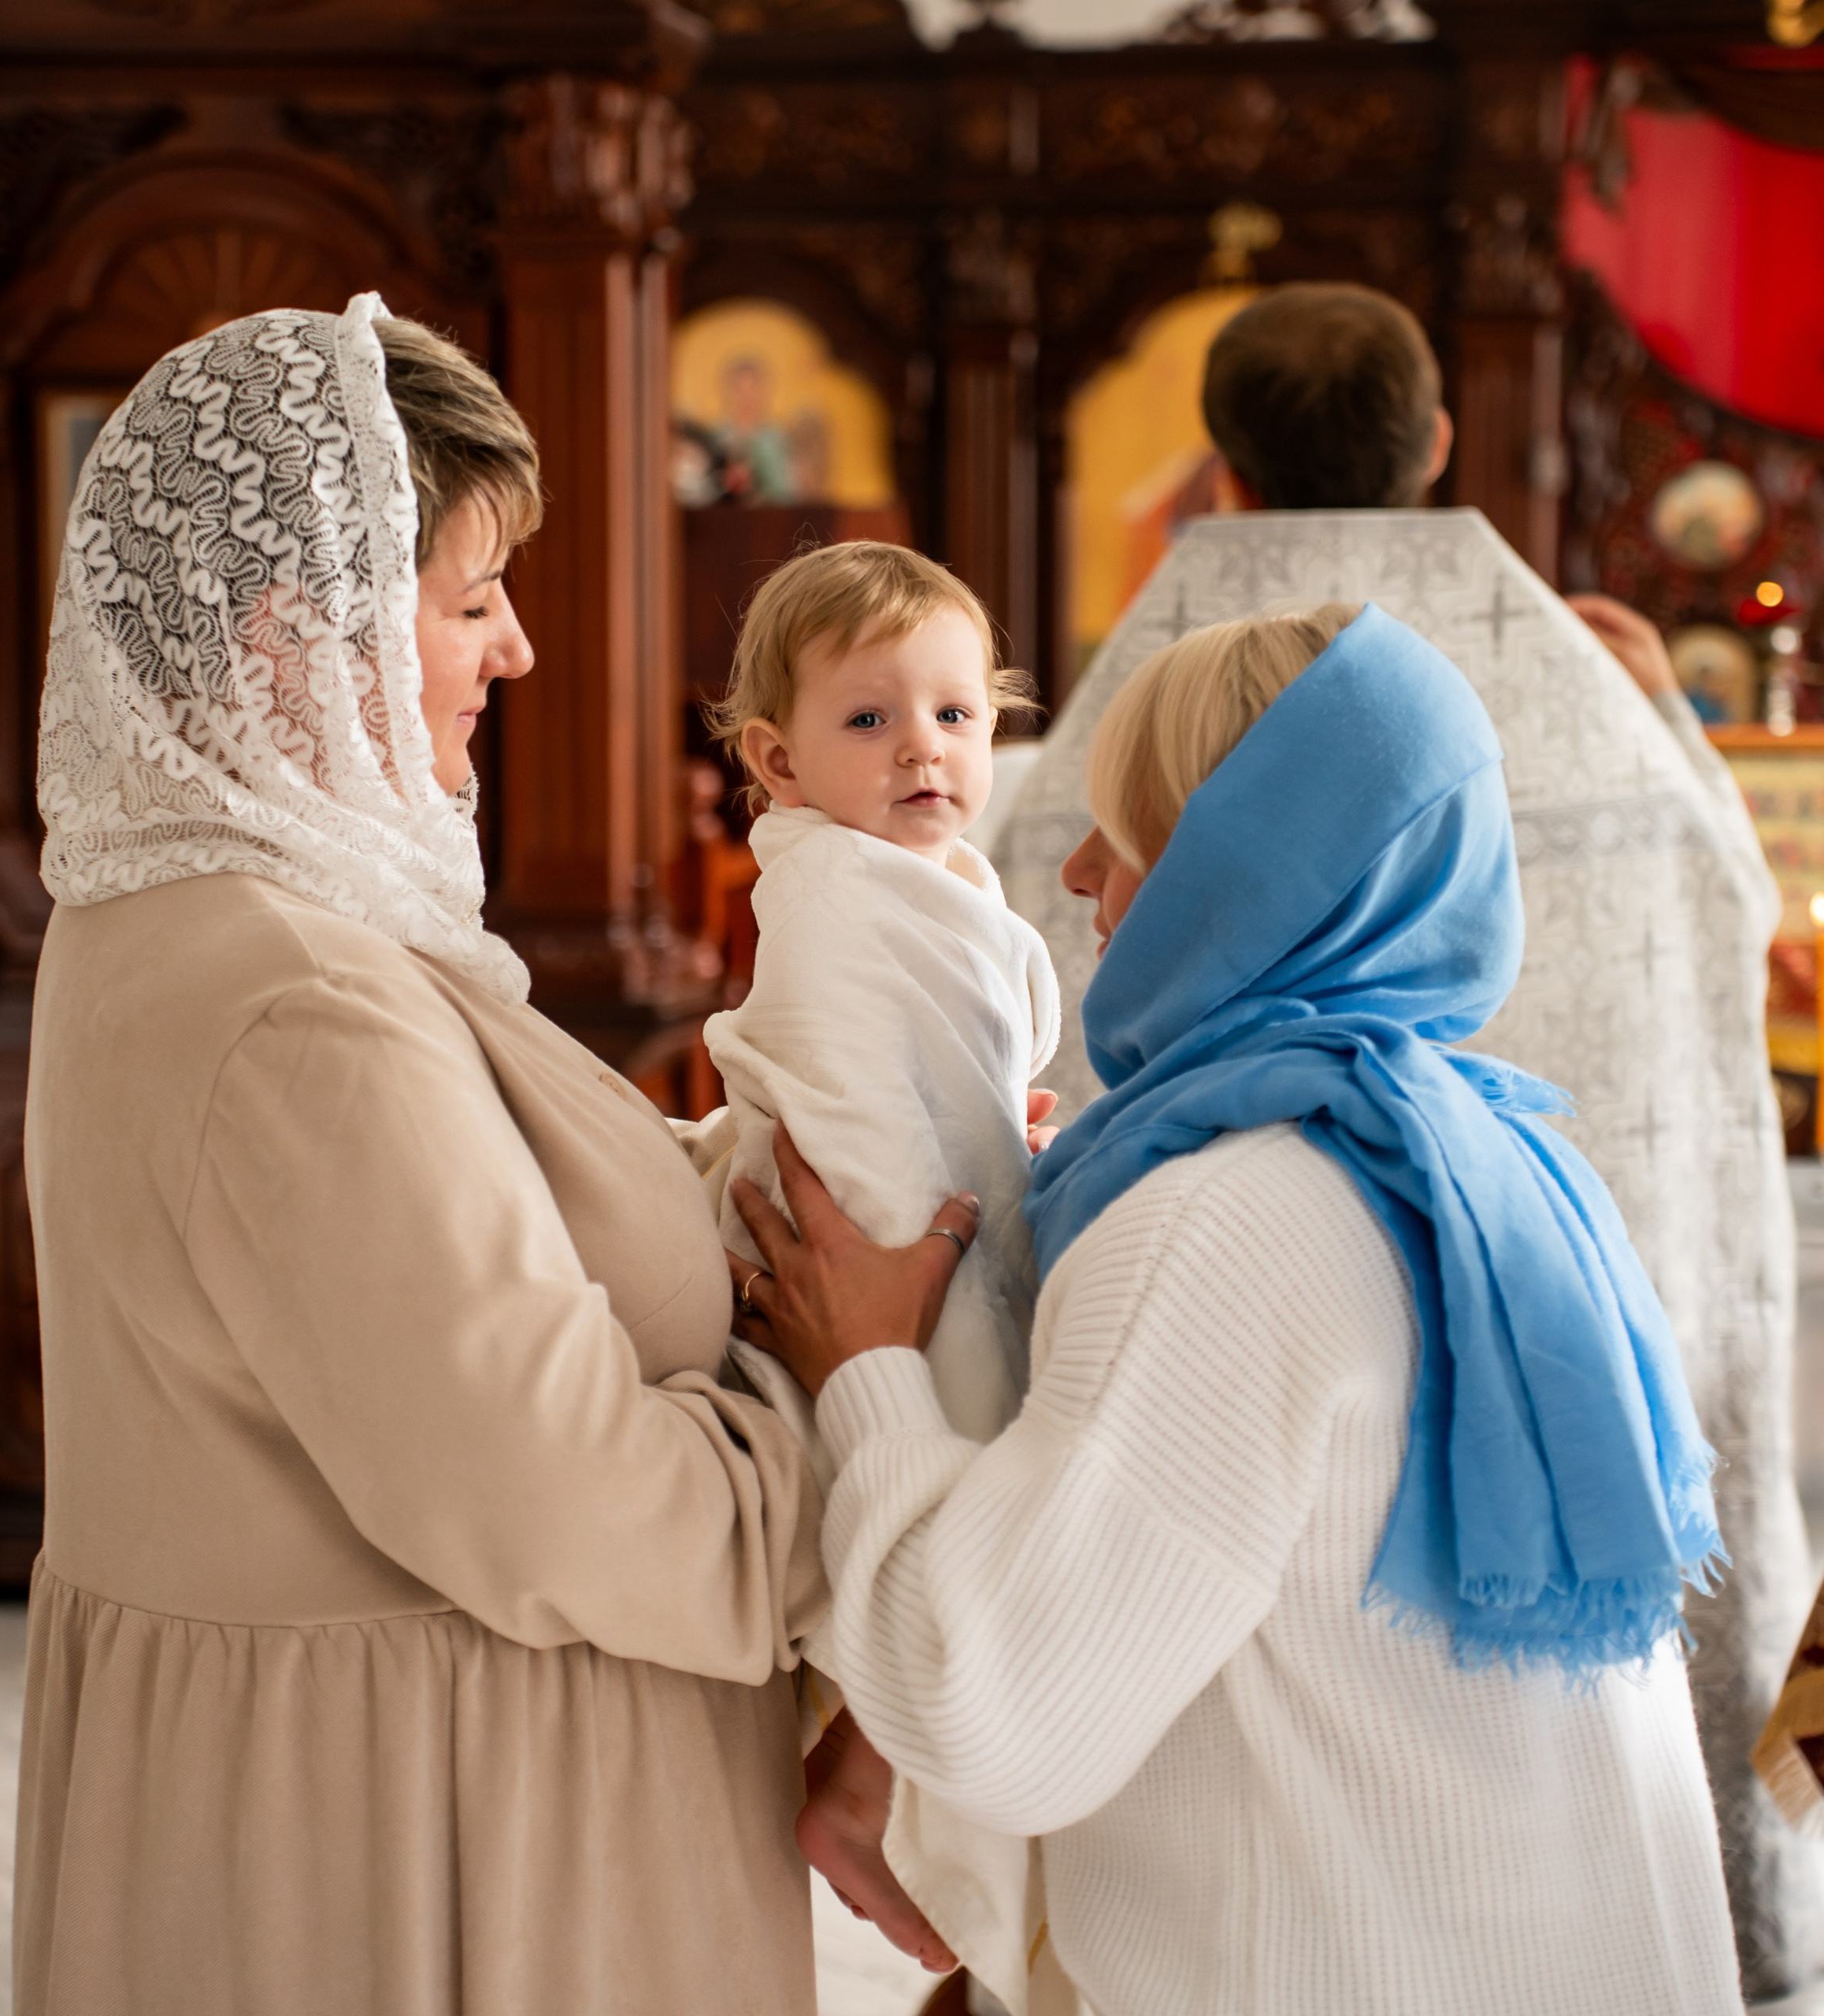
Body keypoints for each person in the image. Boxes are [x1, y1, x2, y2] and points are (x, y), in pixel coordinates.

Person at [15, 295, 976, 2016]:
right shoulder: (289, 999)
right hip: (439, 1852)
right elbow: (570, 1495)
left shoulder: (208, 908)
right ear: (299, 641)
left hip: (381, 1793)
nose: (515, 647)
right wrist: (859, 1383)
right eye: (469, 602)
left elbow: (473, 1218)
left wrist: (806, 1152)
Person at [733, 602, 1746, 2016]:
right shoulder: (1489, 1155)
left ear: (1239, 878)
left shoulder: (1225, 1218)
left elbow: (996, 1711)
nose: (1080, 872)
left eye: (1132, 841)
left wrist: (868, 1370)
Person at [992, 281, 1819, 2000]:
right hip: (1572, 1337)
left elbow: (1003, 938)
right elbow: (1730, 909)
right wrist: (1665, 717)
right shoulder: (1577, 682)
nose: (1093, 875)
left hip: (1224, 1340)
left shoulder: (1150, 702)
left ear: (1214, 470)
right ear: (1437, 439)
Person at [699, 539, 1058, 2007]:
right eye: (870, 720)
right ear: (778, 761)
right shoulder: (831, 899)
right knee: (974, 1500)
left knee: (991, 1514)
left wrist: (1016, 1126)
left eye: (957, 715)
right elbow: (847, 1087)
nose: (925, 746)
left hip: (952, 1218)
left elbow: (983, 1058)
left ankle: (870, 1776)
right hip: (879, 1242)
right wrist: (902, 1287)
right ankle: (874, 1793)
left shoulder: (948, 880)